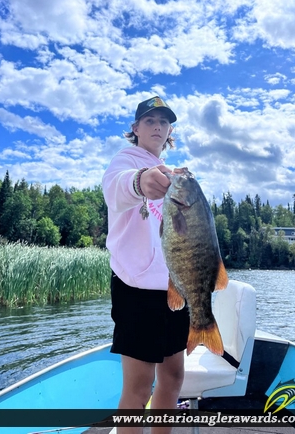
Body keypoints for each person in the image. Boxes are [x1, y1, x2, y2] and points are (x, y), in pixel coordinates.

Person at [102, 96, 190, 433]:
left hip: (174, 286)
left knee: (173, 378)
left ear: (169, 132)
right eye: (149, 120)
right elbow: (116, 188)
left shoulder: (172, 174)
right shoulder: (123, 162)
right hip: (135, 289)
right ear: (135, 128)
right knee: (139, 389)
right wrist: (141, 181)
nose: (157, 126)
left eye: (163, 122)